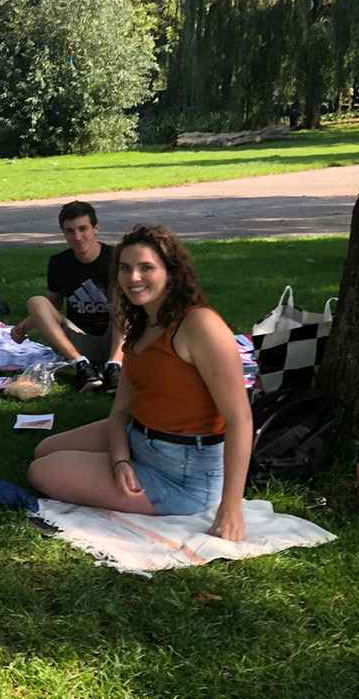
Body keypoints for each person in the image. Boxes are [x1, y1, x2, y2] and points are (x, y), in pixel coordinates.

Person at [27, 225, 250, 540]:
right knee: (44, 449)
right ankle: (121, 464)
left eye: (146, 268)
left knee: (42, 471)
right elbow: (119, 413)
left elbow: (240, 419)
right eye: (125, 268)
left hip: (182, 475)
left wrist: (231, 509)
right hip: (138, 437)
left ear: (171, 272)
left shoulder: (199, 324)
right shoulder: (141, 325)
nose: (134, 278)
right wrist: (119, 460)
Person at [9, 200, 123, 392]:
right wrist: (24, 326)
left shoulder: (116, 258)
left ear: (95, 228)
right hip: (77, 339)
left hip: (115, 337)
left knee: (126, 300)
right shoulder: (59, 263)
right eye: (70, 231)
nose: (77, 237)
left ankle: (114, 368)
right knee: (36, 301)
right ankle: (81, 366)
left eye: (83, 229)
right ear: (63, 233)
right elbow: (51, 306)